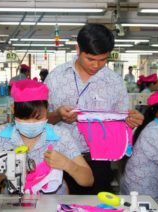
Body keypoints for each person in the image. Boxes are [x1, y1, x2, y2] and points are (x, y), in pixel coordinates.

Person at [44, 23, 144, 194]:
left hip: (99, 162)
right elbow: (40, 120)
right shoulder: (56, 78)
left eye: (103, 60)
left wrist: (131, 122)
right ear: (78, 49)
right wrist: (57, 115)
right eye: (91, 59)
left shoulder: (114, 82)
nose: (97, 66)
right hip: (60, 160)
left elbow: (122, 123)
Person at [0, 79, 94, 194]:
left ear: (47, 107)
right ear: (13, 109)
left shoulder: (60, 135)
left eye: (38, 118)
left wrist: (68, 165)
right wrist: (5, 171)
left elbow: (88, 180)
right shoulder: (0, 135)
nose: (31, 123)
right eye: (24, 118)